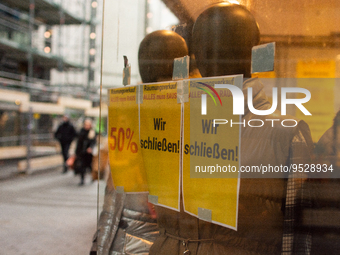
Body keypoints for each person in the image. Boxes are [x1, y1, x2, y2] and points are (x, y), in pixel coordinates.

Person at [149, 3, 314, 255]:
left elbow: (298, 239)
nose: (212, 54)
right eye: (205, 46)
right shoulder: (171, 124)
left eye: (222, 45)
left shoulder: (286, 133)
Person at [90, 30, 190, 254]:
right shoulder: (131, 117)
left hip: (138, 242)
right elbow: (113, 199)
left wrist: (100, 246)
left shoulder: (133, 116)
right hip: (143, 241)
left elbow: (113, 202)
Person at [75, 118, 96, 186]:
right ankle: (82, 179)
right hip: (81, 152)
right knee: (82, 166)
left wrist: (90, 148)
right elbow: (78, 142)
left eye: (88, 125)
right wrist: (76, 152)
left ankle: (92, 176)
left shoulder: (92, 132)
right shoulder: (81, 131)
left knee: (89, 166)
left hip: (89, 153)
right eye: (86, 124)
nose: (87, 126)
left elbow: (93, 142)